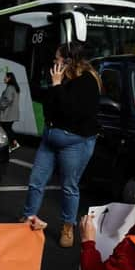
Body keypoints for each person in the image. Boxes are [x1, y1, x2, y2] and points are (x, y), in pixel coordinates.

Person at [21, 42, 101, 248]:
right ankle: (27, 219)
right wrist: (51, 86)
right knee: (36, 181)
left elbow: (70, 111)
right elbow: (50, 106)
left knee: (69, 186)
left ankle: (68, 226)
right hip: (50, 138)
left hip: (74, 142)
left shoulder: (87, 81)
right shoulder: (62, 78)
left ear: (68, 61)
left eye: (57, 58)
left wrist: (56, 86)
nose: (54, 61)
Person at [0, 72, 20, 151]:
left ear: (9, 78)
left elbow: (8, 99)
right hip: (11, 113)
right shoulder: (14, 87)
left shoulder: (10, 88)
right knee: (7, 128)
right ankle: (12, 144)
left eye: (5, 77)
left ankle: (13, 144)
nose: (4, 79)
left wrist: (1, 106)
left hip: (7, 113)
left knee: (5, 129)